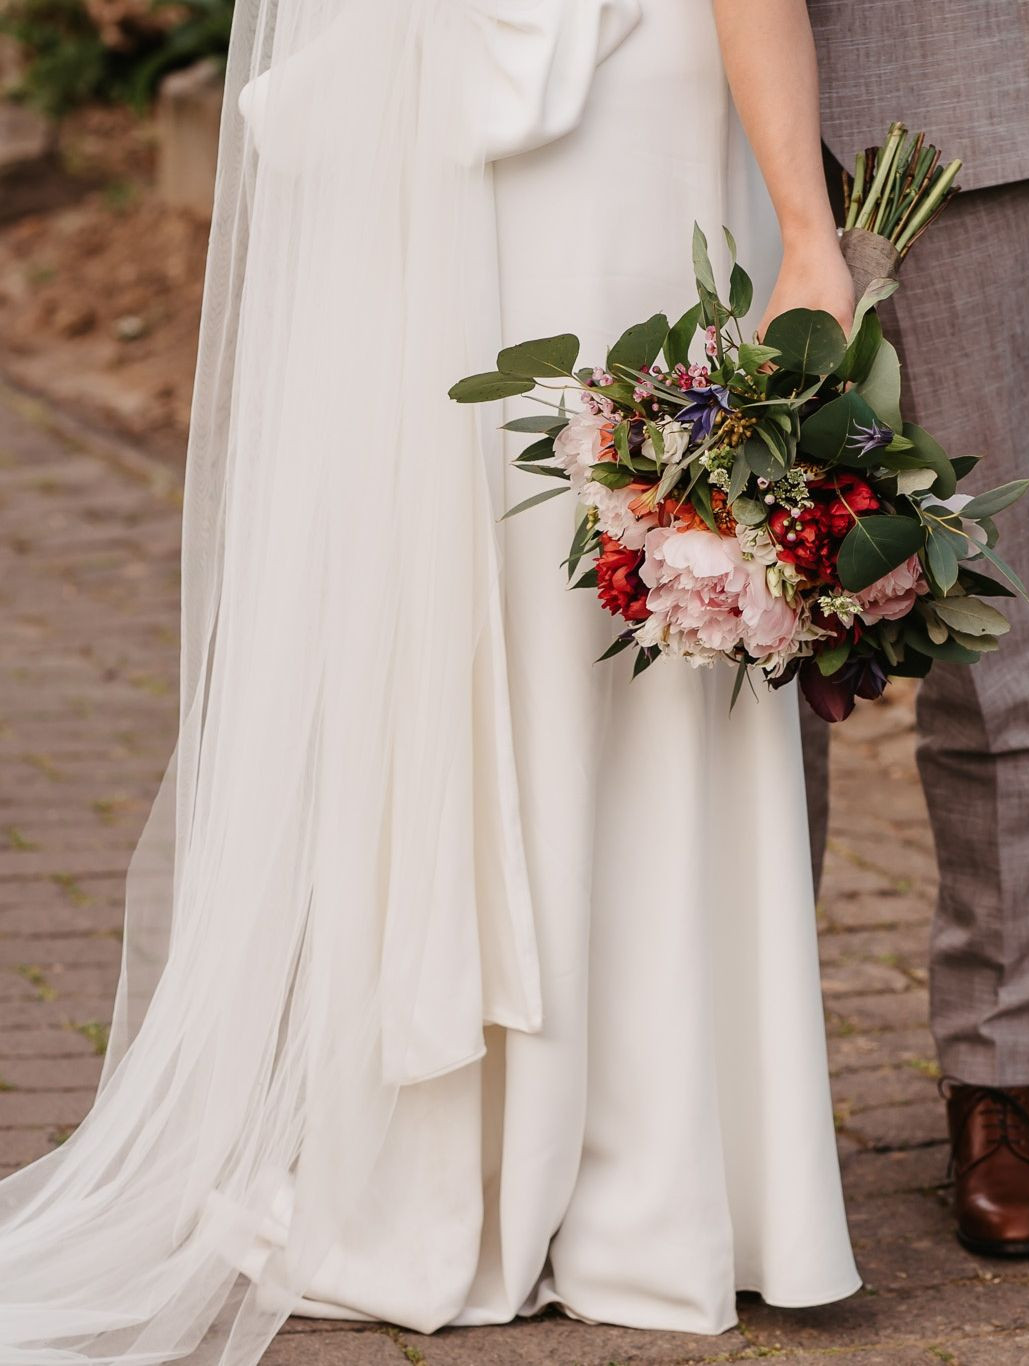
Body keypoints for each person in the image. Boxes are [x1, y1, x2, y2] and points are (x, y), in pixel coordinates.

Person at [0, 2, 863, 1359]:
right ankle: (642, 1177)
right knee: (619, 582)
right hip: (629, 99)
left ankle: (449, 1158)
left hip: (431, 123)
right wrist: (809, 235)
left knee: (488, 576)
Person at [802, 0, 1029, 1258]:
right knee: (714, 619)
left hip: (953, 80)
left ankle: (1002, 1074)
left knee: (996, 615)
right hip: (658, 107)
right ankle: (726, 1074)